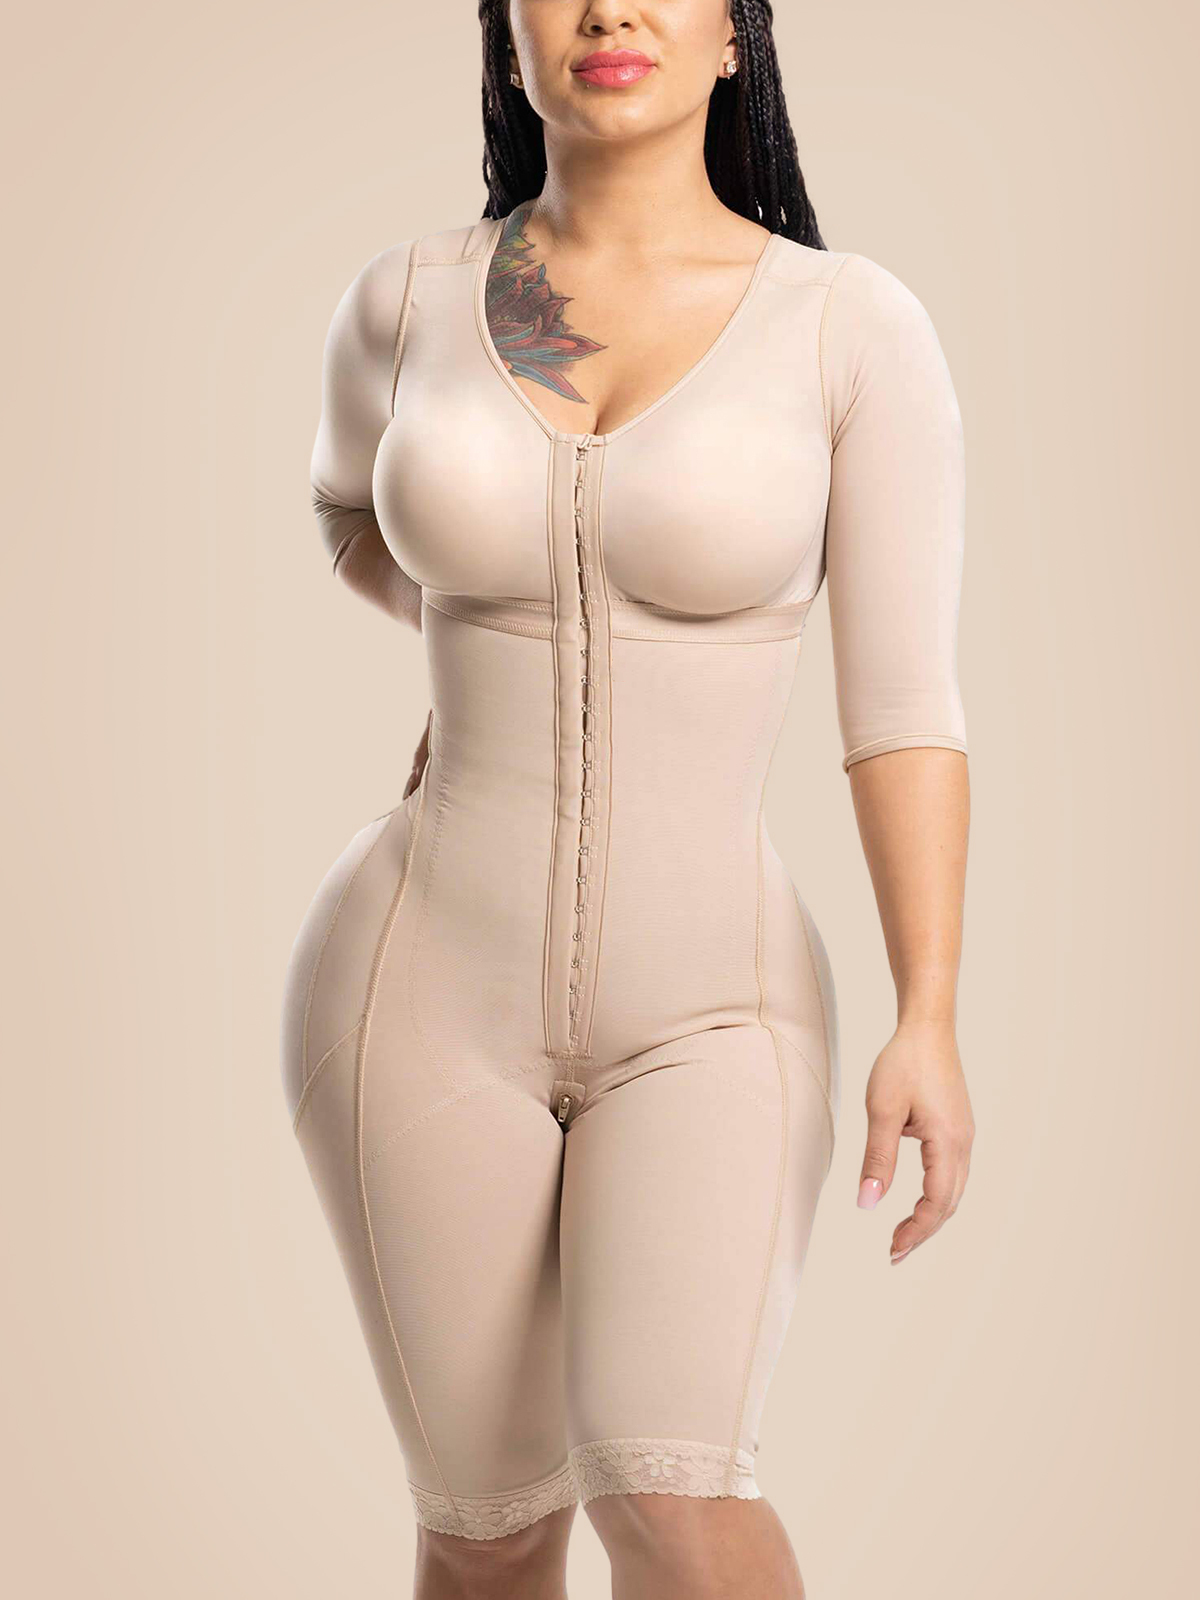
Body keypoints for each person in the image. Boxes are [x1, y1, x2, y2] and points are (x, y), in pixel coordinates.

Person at [280, 3, 975, 1595]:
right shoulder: (411, 300)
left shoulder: (845, 328)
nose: (608, 8)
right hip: (415, 984)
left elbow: (902, 710)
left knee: (675, 1495)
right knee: (487, 1532)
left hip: (713, 1007)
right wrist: (484, 646)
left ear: (735, 35)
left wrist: (928, 1012)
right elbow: (344, 507)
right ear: (504, 35)